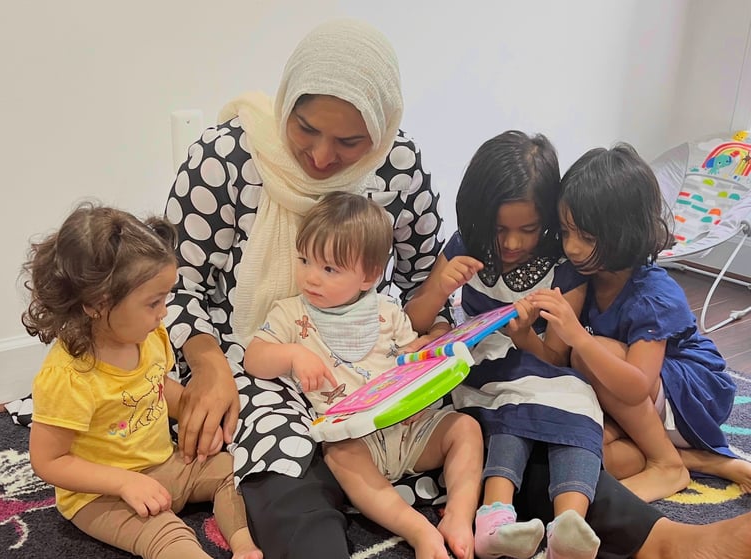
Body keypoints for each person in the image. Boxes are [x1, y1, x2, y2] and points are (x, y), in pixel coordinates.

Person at [162, 16, 751, 559]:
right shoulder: (228, 157)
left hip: (378, 355)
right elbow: (181, 286)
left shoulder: (397, 164)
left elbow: (423, 283)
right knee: (280, 458)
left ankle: (661, 540)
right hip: (255, 358)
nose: (321, 156)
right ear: (286, 101)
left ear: (383, 122)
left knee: (503, 426)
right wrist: (210, 363)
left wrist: (436, 343)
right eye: (306, 129)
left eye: (349, 142)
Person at [244, 192, 482, 559]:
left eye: (329, 269)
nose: (311, 277)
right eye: (305, 260)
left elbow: (411, 357)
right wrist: (292, 354)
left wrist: (424, 351)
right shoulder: (291, 313)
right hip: (357, 442)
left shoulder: (387, 311)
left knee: (466, 429)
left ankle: (460, 519)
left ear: (369, 276)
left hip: (410, 429)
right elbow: (253, 358)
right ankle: (417, 529)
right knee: (339, 454)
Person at [22, 204, 261, 559]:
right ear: (97, 304)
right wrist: (124, 482)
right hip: (100, 494)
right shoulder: (68, 377)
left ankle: (244, 547)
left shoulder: (149, 336)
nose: (164, 311)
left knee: (233, 469)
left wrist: (197, 414)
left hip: (162, 464)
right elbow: (48, 461)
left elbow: (156, 388)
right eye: (154, 302)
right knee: (166, 534)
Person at [406, 131, 601, 559]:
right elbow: (415, 320)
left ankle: (571, 526)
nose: (512, 243)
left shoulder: (562, 265)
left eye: (528, 229)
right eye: (500, 229)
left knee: (581, 403)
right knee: (510, 409)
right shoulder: (464, 245)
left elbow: (557, 356)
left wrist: (525, 335)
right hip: (482, 367)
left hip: (539, 366)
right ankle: (494, 519)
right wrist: (438, 288)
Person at [529, 143, 751, 503]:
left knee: (590, 353)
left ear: (625, 232)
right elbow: (553, 359)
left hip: (689, 396)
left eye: (586, 237)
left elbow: (634, 386)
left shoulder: (652, 294)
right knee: (585, 454)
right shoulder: (581, 273)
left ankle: (666, 463)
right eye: (566, 232)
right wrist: (522, 331)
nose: (571, 247)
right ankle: (704, 462)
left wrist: (578, 339)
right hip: (639, 405)